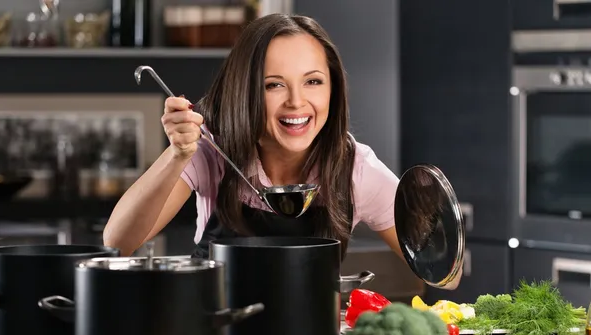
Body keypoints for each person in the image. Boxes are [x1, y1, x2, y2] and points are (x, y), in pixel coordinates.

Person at [103, 13, 462, 290]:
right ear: (244, 91)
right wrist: (178, 154)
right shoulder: (210, 149)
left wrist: (437, 220)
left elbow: (444, 274)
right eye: (274, 85)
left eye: (313, 81)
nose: (296, 102)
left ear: (333, 89)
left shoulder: (354, 167)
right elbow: (118, 244)